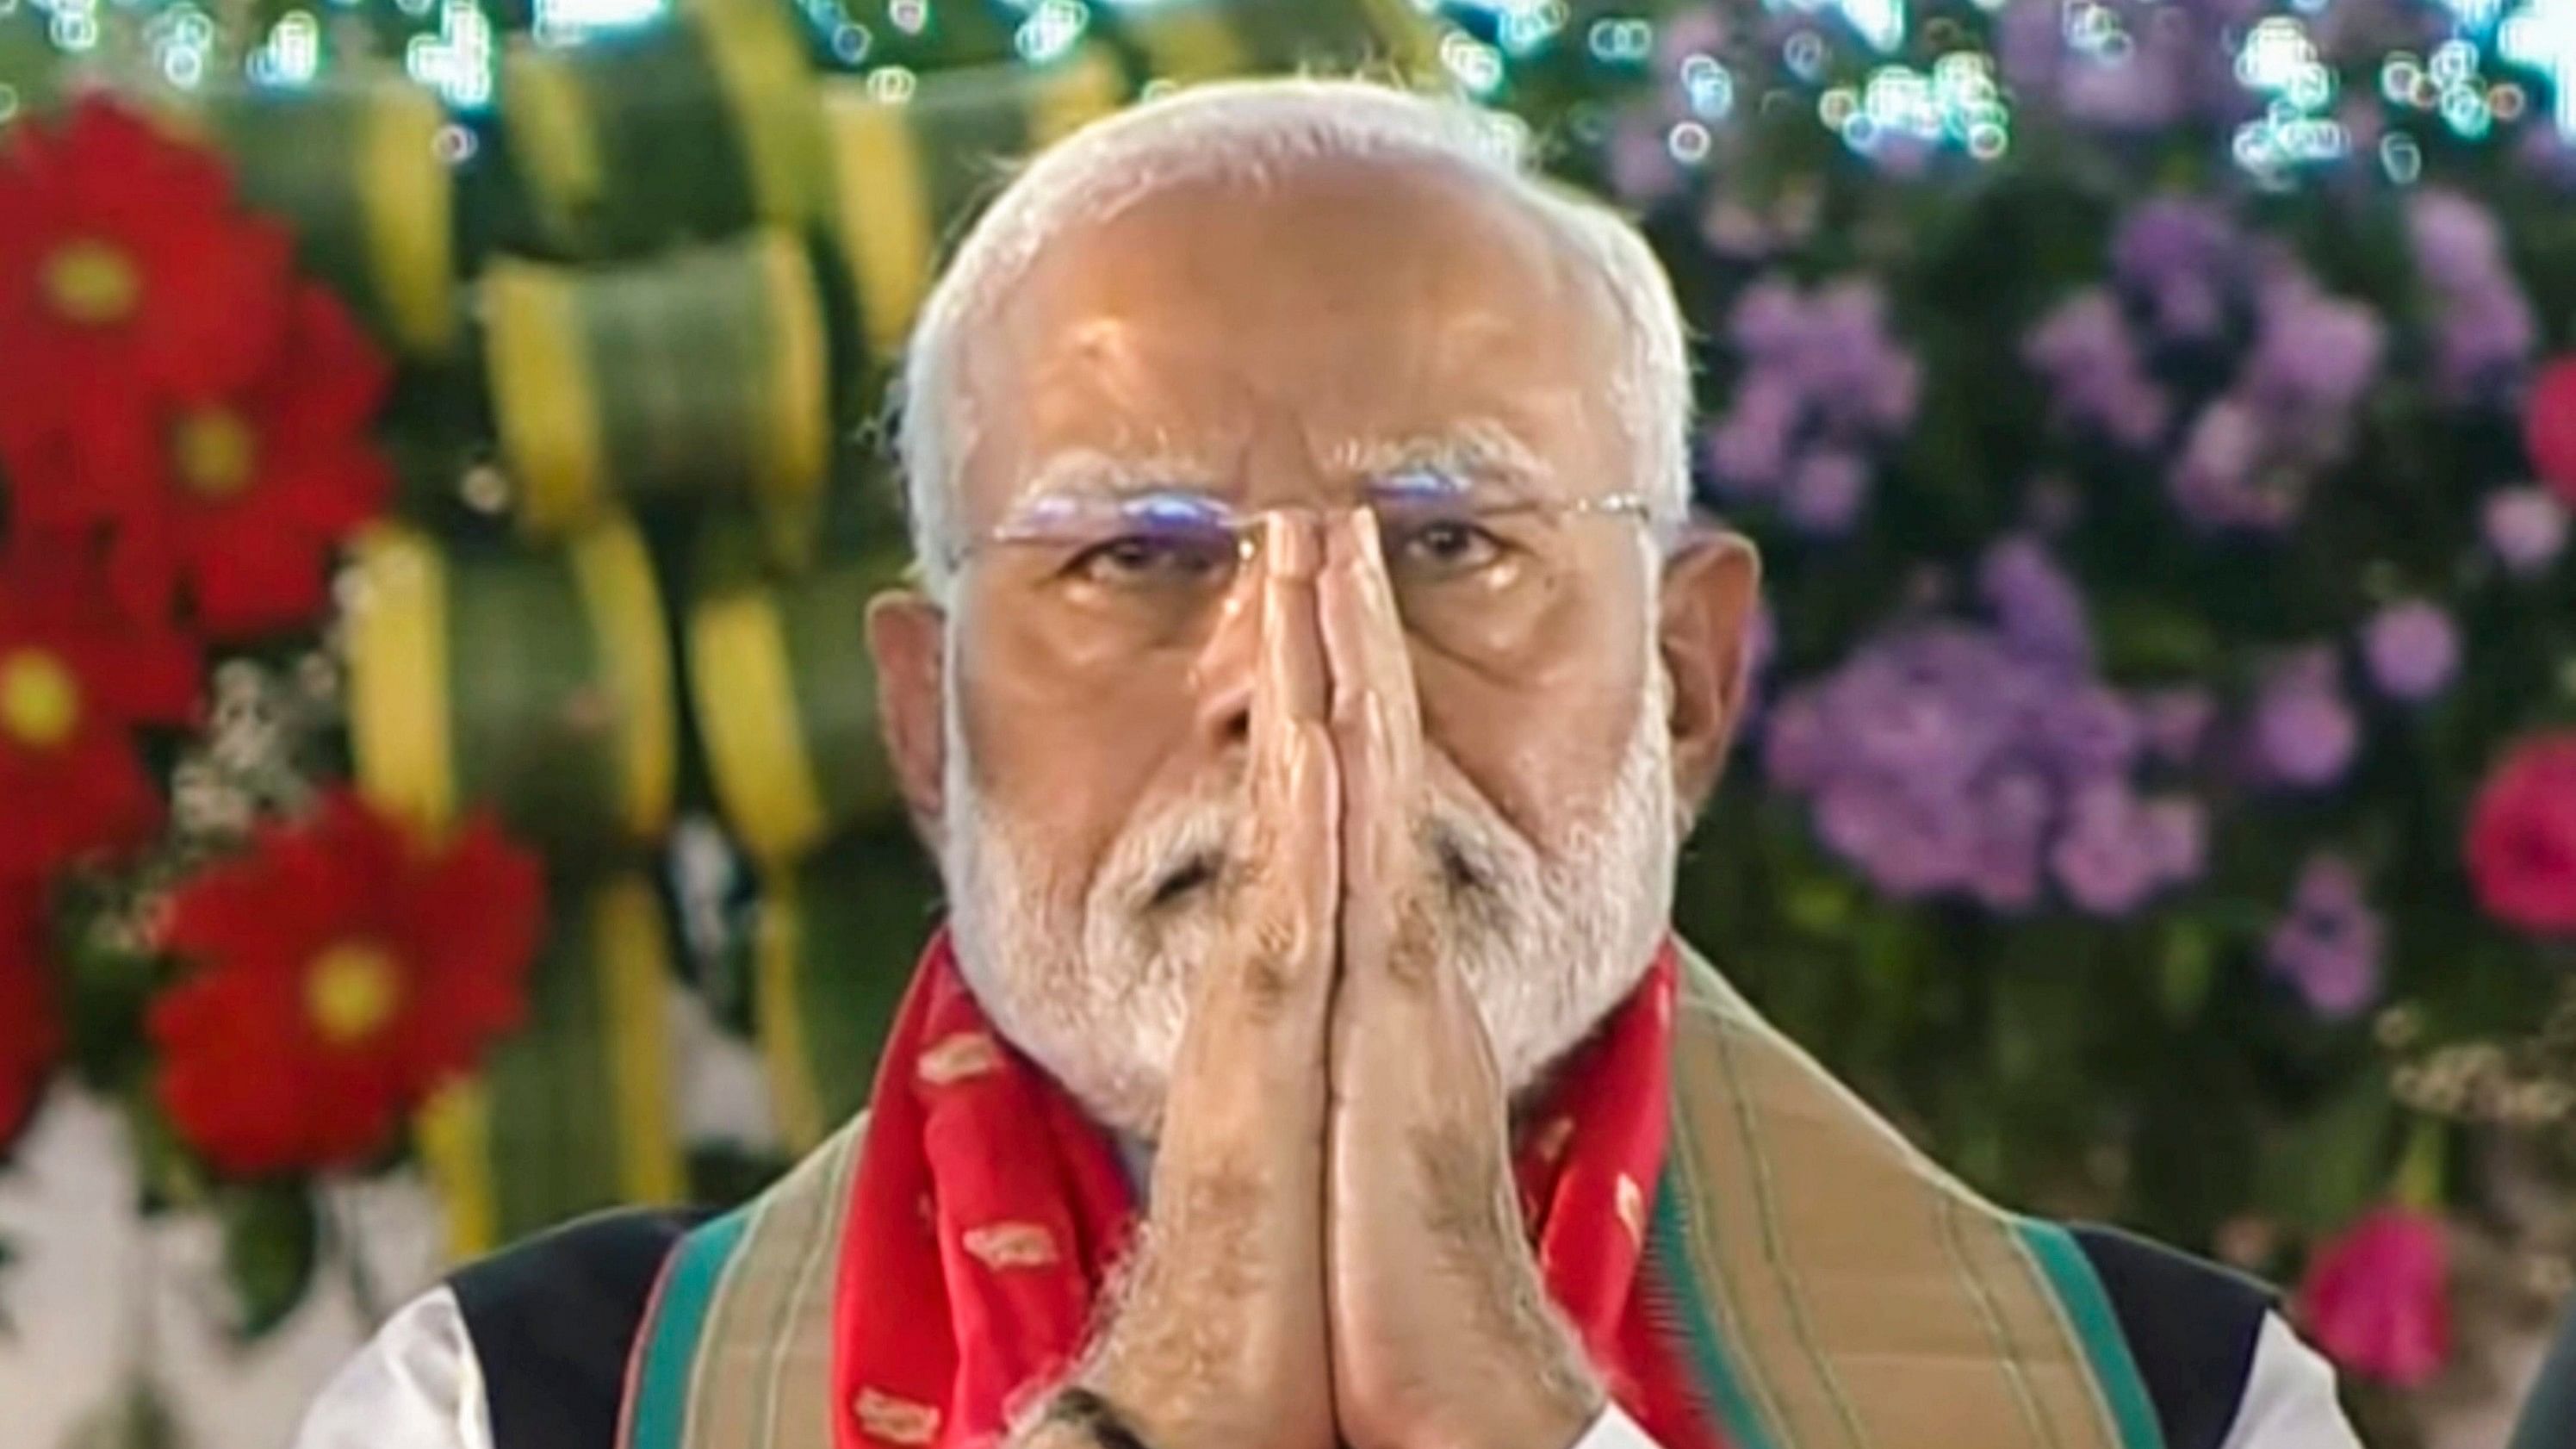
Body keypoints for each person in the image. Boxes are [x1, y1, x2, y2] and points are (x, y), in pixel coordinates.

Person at [296, 78, 2364, 1449]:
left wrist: (1498, 1396)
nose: (1298, 690)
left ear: (1681, 679)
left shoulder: (2180, 1403)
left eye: (1446, 545)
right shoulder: (504, 1404)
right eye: (1134, 555)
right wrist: (1176, 1374)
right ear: (928, 724)